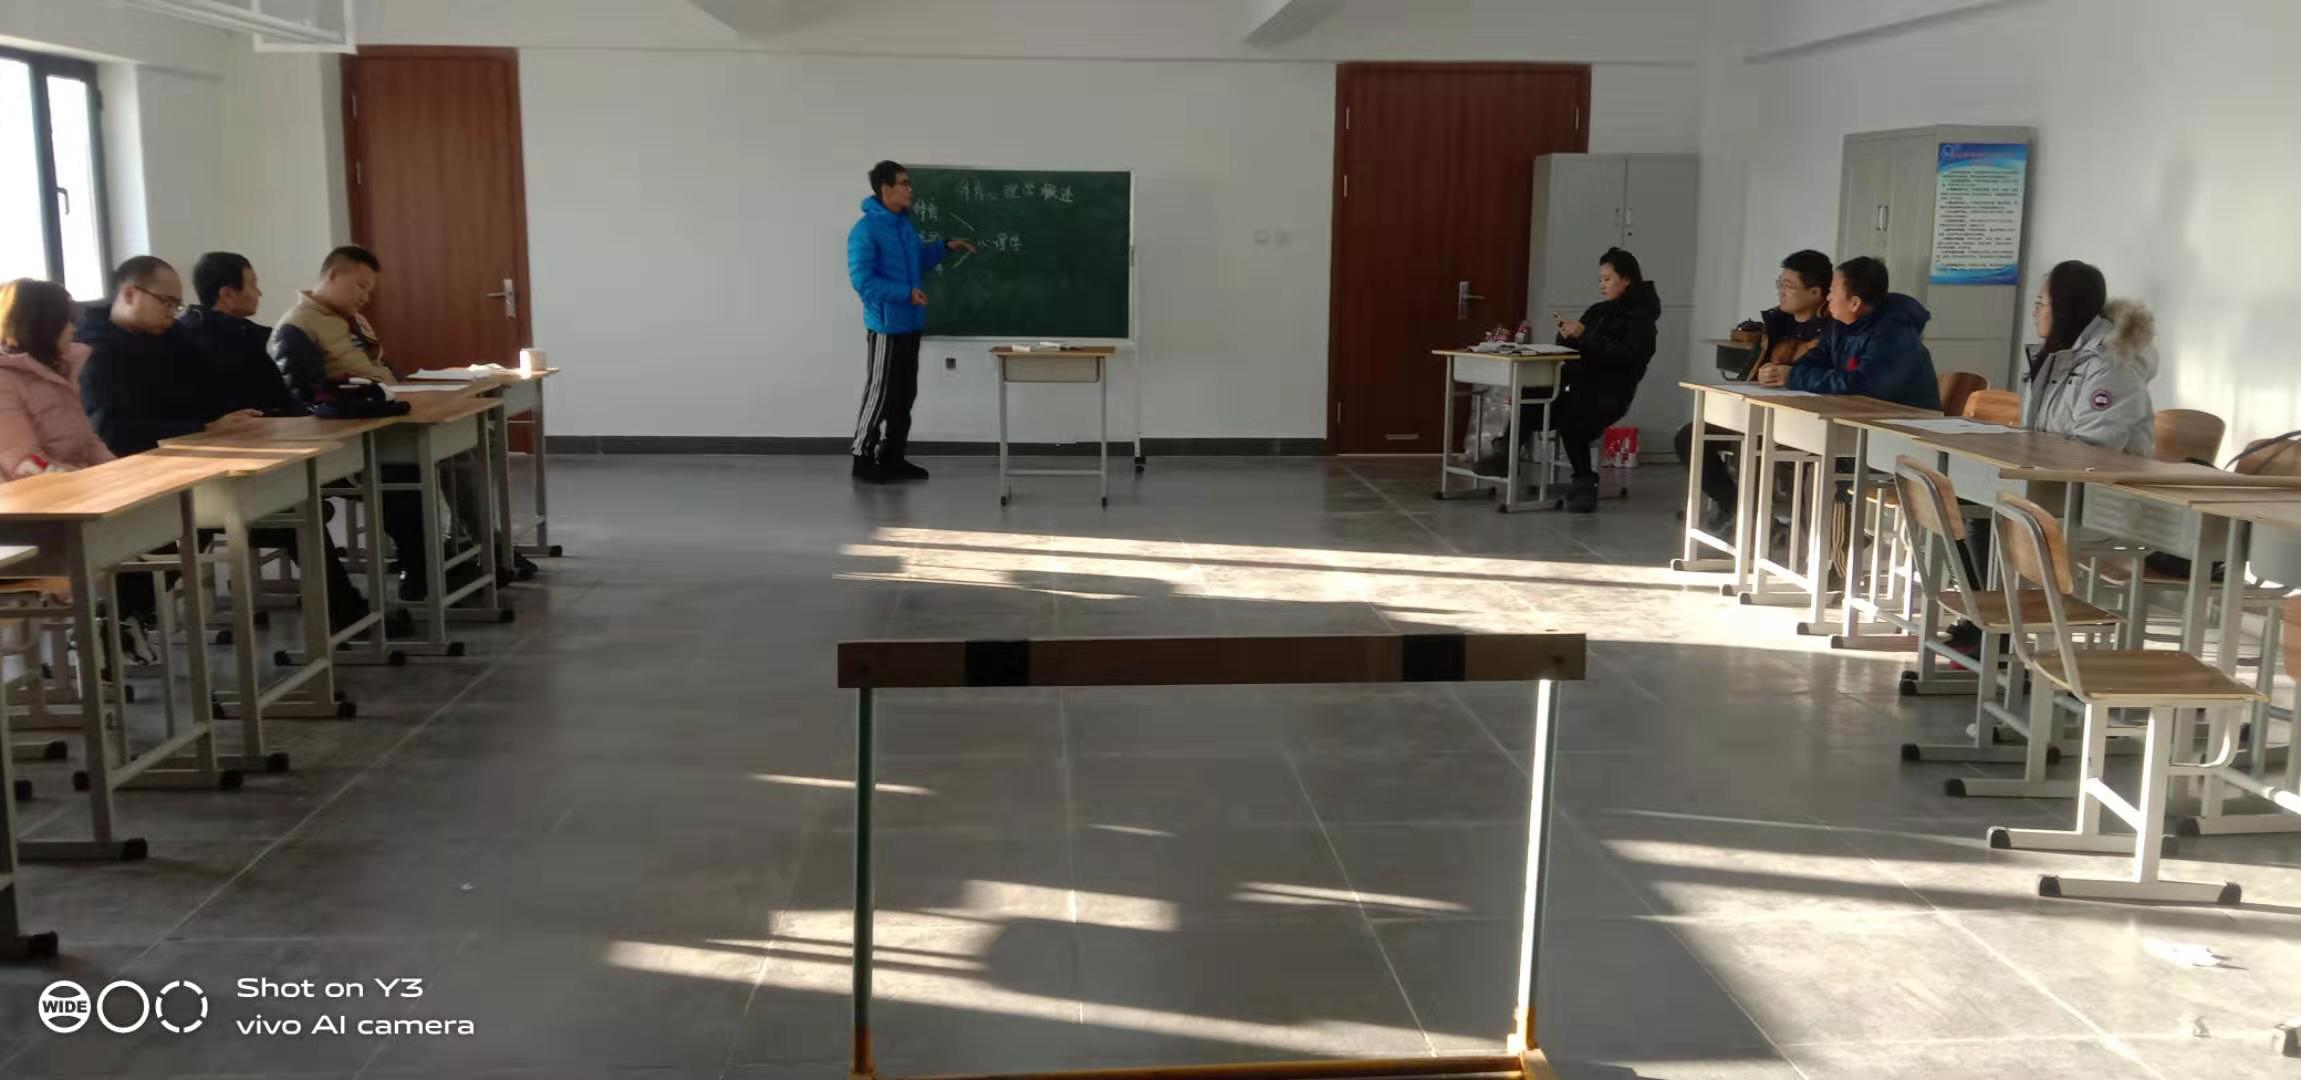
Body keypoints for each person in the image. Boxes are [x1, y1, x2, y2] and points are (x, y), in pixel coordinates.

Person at [79, 256, 373, 634]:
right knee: (242, 518)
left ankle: (347, 613)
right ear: (129, 294)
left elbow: (209, 393)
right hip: (141, 479)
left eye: (177, 304)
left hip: (194, 466)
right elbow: (115, 433)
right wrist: (204, 426)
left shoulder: (174, 339)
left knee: (291, 505)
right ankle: (115, 623)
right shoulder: (95, 353)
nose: (173, 312)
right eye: (166, 302)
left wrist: (231, 417)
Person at [270, 245, 523, 599]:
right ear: (333, 276)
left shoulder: (354, 320)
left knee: (477, 440)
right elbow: (307, 399)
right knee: (418, 468)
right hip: (349, 438)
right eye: (360, 286)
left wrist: (407, 388)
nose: (365, 296)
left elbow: (382, 369)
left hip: (387, 419)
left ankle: (473, 547)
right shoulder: (296, 327)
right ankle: (429, 569)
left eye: (370, 289)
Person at [1674, 249, 1835, 532]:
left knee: (1753, 445)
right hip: (1758, 413)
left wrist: (1790, 377)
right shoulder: (1777, 324)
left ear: (1815, 292)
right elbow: (1750, 372)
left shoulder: (1832, 332)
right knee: (1690, 436)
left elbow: (1828, 380)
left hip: (1798, 422)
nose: (1781, 292)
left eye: (1788, 286)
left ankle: (1759, 520)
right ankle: (1737, 506)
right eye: (1780, 284)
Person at [846, 160, 974, 484]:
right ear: (885, 189)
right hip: (886, 327)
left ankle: (893, 456)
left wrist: (945, 248)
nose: (910, 189)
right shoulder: (865, 230)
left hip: (911, 323)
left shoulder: (903, 226)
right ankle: (862, 456)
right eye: (904, 183)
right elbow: (863, 281)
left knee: (905, 394)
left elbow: (918, 260)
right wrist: (905, 294)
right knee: (880, 393)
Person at [1758, 255, 1940, 410]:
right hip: (1858, 414)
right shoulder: (1840, 326)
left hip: (1903, 421)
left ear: (1854, 303)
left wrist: (1793, 376)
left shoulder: (1894, 334)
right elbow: (1815, 360)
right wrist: (1779, 373)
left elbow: (1862, 385)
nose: (1828, 297)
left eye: (1832, 291)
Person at [2021, 260, 2156, 456]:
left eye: (2040, 303)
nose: (2035, 313)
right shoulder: (2054, 359)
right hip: (2052, 470)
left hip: (2103, 475)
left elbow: (2092, 453)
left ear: (2063, 307)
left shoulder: (2111, 365)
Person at [0, 278, 114, 477]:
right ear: (40, 324)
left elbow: (88, 441)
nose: (73, 329)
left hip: (79, 482)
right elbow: (24, 462)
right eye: (65, 320)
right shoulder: (5, 381)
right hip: (41, 492)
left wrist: (116, 471)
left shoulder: (61, 369)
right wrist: (88, 481)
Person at [179, 251, 303, 417]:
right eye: (253, 285)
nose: (259, 293)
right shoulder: (201, 341)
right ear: (227, 294)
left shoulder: (244, 333)